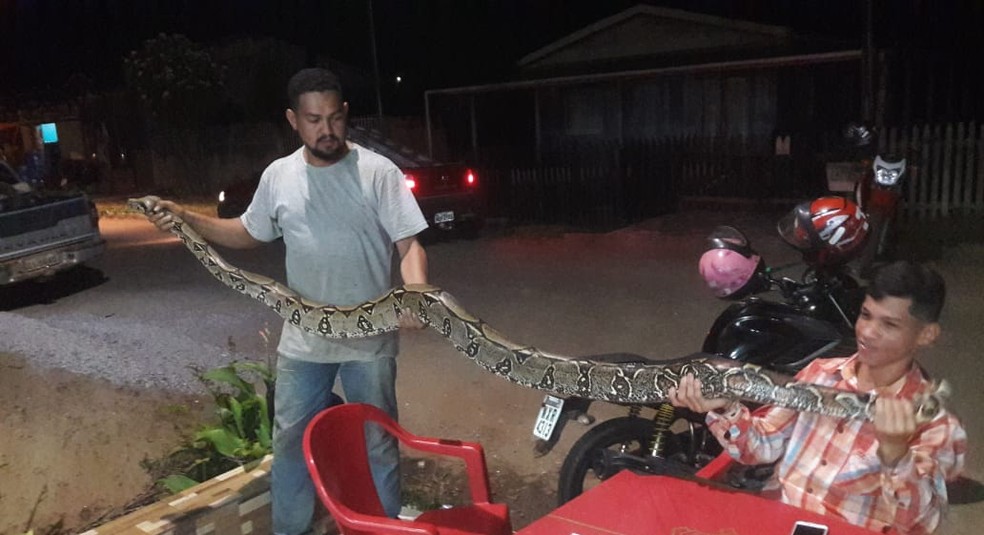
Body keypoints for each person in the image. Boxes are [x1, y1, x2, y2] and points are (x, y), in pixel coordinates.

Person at [141, 67, 429, 535]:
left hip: (369, 340)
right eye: (314, 120)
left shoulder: (379, 172)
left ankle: (381, 528)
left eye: (335, 118)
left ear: (346, 113)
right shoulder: (279, 176)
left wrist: (416, 294)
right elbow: (246, 232)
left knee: (376, 440)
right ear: (294, 120)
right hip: (304, 341)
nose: (326, 129)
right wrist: (185, 218)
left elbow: (409, 244)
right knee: (291, 441)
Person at [669, 260, 965, 535]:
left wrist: (896, 454)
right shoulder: (819, 374)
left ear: (926, 334)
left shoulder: (935, 422)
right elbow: (762, 446)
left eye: (890, 325)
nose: (867, 333)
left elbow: (919, 522)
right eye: (865, 315)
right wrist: (725, 407)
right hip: (779, 522)